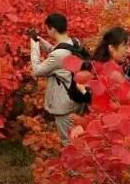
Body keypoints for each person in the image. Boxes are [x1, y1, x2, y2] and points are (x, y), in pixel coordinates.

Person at [29, 12, 87, 144]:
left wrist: (34, 46)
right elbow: (56, 51)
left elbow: (37, 71)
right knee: (79, 139)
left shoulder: (59, 55)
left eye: (48, 29)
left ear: (53, 29)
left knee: (69, 143)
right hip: (77, 99)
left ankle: (74, 164)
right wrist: (39, 39)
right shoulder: (74, 43)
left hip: (64, 106)